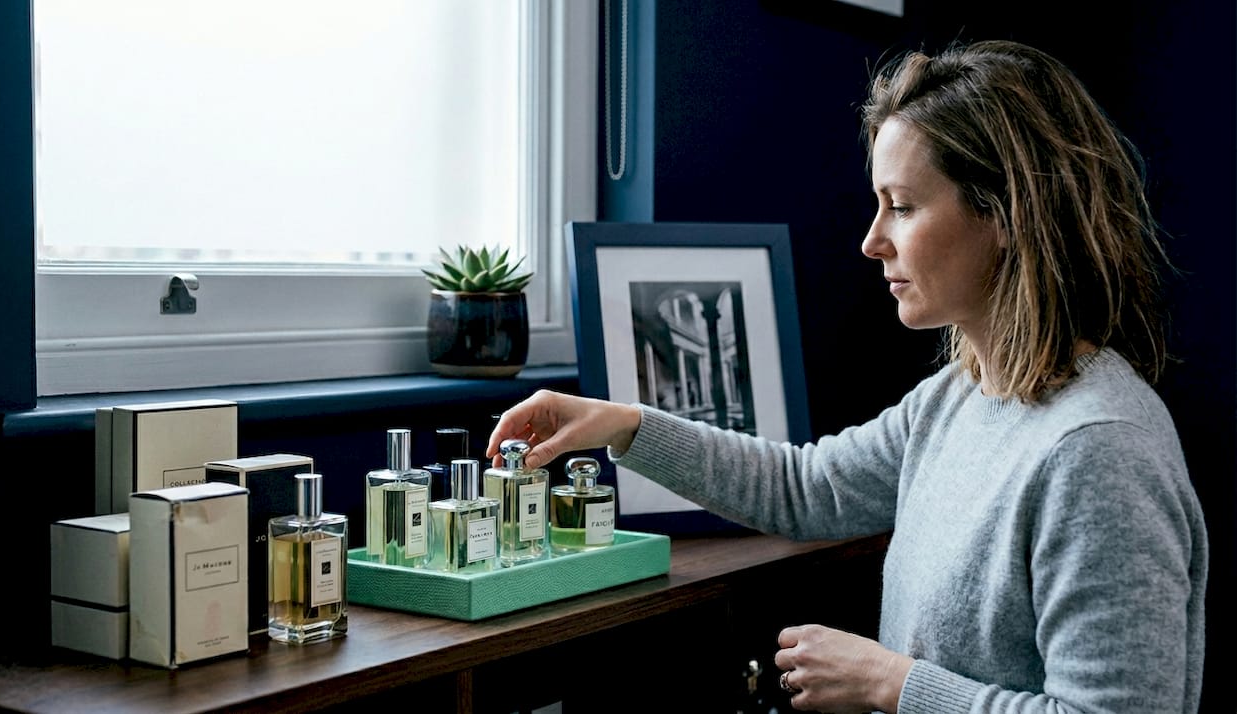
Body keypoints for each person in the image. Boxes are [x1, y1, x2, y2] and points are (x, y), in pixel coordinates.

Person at [487, 39, 1208, 713]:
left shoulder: (1098, 451)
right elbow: (807, 489)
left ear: (1008, 213)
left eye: (903, 205)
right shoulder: (956, 400)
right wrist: (626, 425)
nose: (871, 240)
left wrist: (891, 684)